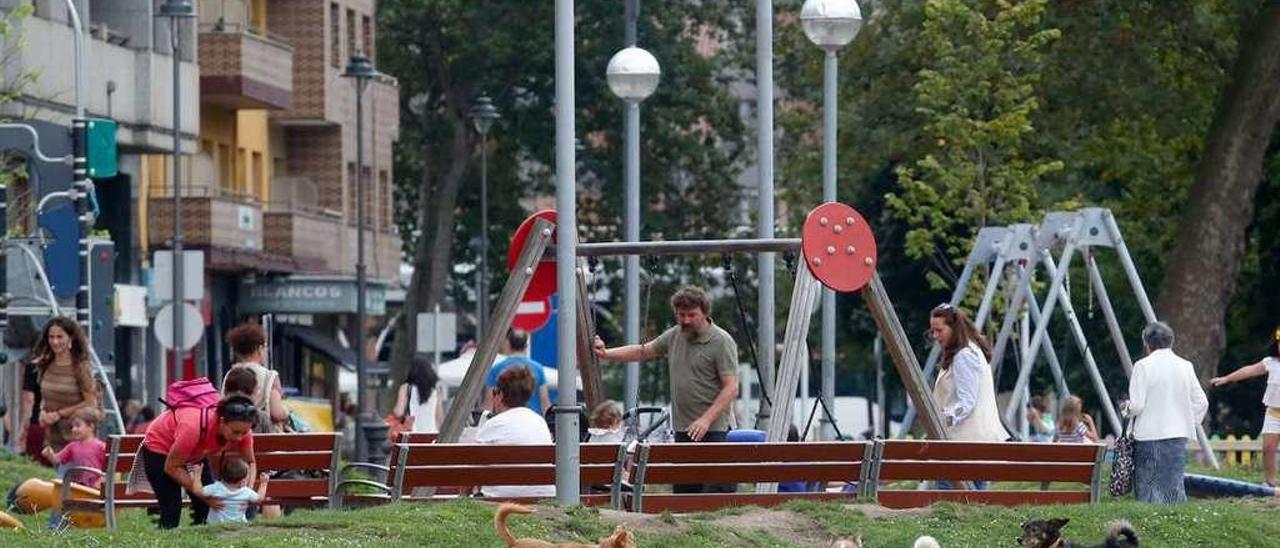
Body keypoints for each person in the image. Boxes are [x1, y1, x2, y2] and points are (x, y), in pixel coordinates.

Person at [594, 285, 739, 494]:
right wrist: (607, 354)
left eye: (692, 315)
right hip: (684, 427)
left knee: (713, 492)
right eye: (681, 315)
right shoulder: (675, 335)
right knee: (685, 492)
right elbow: (643, 351)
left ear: (705, 313)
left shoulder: (721, 341)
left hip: (714, 429)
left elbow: (731, 388)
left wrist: (706, 419)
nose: (686, 320)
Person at [139, 395, 259, 528]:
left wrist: (247, 491)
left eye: (244, 432)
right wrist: (204, 496)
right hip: (160, 449)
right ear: (222, 421)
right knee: (172, 505)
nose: (239, 438)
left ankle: (201, 539)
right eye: (235, 432)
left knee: (207, 505)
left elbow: (250, 462)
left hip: (195, 453)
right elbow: (171, 467)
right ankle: (166, 538)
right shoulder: (192, 428)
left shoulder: (243, 430)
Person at [928, 303, 1008, 490]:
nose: (935, 336)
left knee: (949, 500)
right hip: (976, 443)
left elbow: (966, 402)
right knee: (976, 502)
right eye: (933, 331)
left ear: (954, 328)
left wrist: (940, 420)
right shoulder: (971, 351)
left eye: (939, 330)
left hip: (964, 444)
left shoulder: (964, 355)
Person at [1128, 321, 1208, 504]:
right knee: (1173, 485)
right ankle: (1174, 519)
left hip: (1148, 435)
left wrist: (1126, 408)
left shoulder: (1142, 366)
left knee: (1148, 486)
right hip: (1177, 434)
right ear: (1171, 341)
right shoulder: (1185, 365)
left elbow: (1137, 406)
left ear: (1147, 343)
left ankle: (1149, 523)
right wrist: (1188, 420)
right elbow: (1202, 402)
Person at [1209, 327, 1280, 487]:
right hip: (1274, 413)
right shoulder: (1271, 363)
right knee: (1268, 448)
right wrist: (1227, 378)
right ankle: (1270, 483)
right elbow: (1248, 370)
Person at [474, 367, 554, 498]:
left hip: (500, 497)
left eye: (494, 393)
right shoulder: (539, 421)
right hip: (544, 494)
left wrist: (463, 496)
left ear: (499, 395)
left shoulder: (494, 424)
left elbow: (473, 467)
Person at [32, 317, 100, 453]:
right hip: (54, 438)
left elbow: (91, 401)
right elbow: (45, 396)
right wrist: (42, 412)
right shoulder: (45, 364)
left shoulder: (80, 367)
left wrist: (59, 414)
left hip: (78, 440)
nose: (55, 341)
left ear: (71, 338)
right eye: (51, 337)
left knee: (73, 473)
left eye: (60, 337)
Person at [221, 322, 287, 433]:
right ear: (259, 349)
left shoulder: (230, 374)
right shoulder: (270, 376)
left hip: (234, 439)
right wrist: (286, 413)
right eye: (265, 346)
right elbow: (276, 413)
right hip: (265, 439)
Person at [485, 330, 551, 415]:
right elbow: (545, 402)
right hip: (531, 419)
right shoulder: (538, 369)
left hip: (505, 419)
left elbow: (489, 403)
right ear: (526, 346)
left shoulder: (495, 369)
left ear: (508, 344)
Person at [40, 407, 106, 490]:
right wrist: (49, 454)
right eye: (73, 426)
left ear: (91, 427)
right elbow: (57, 460)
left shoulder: (100, 446)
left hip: (96, 488)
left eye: (78, 426)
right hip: (79, 487)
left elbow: (111, 468)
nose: (74, 429)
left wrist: (101, 480)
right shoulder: (72, 446)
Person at [196, 458, 270, 524]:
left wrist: (197, 475)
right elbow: (259, 499)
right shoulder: (245, 492)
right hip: (239, 524)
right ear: (243, 481)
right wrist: (264, 483)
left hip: (215, 524)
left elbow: (198, 491)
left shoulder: (216, 488)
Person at [391, 354, 445, 434]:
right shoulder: (436, 390)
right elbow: (439, 418)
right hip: (431, 434)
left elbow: (399, 412)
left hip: (412, 434)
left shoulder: (406, 388)